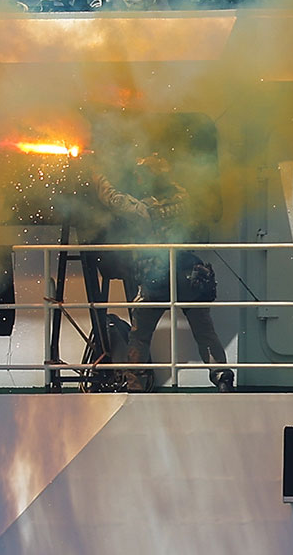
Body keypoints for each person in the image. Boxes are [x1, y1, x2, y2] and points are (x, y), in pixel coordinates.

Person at [96, 153, 234, 393]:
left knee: (140, 335)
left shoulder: (144, 208)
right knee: (205, 332)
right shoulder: (185, 198)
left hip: (157, 278)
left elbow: (113, 199)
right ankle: (221, 375)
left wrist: (98, 176)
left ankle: (135, 384)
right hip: (191, 276)